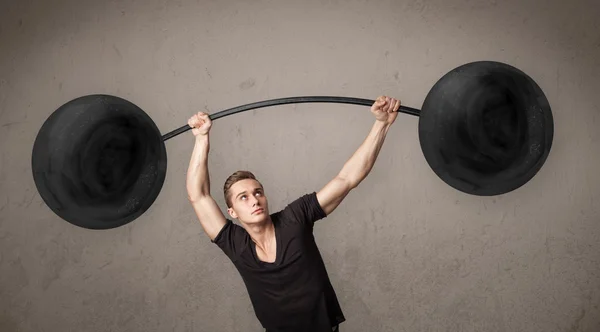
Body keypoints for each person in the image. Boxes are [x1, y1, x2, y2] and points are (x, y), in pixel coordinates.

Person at [186, 95, 400, 332]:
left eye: (258, 192)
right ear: (232, 211)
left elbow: (347, 178)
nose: (255, 200)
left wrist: (382, 124)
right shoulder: (235, 243)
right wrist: (202, 138)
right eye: (243, 197)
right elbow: (199, 196)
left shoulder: (294, 218)